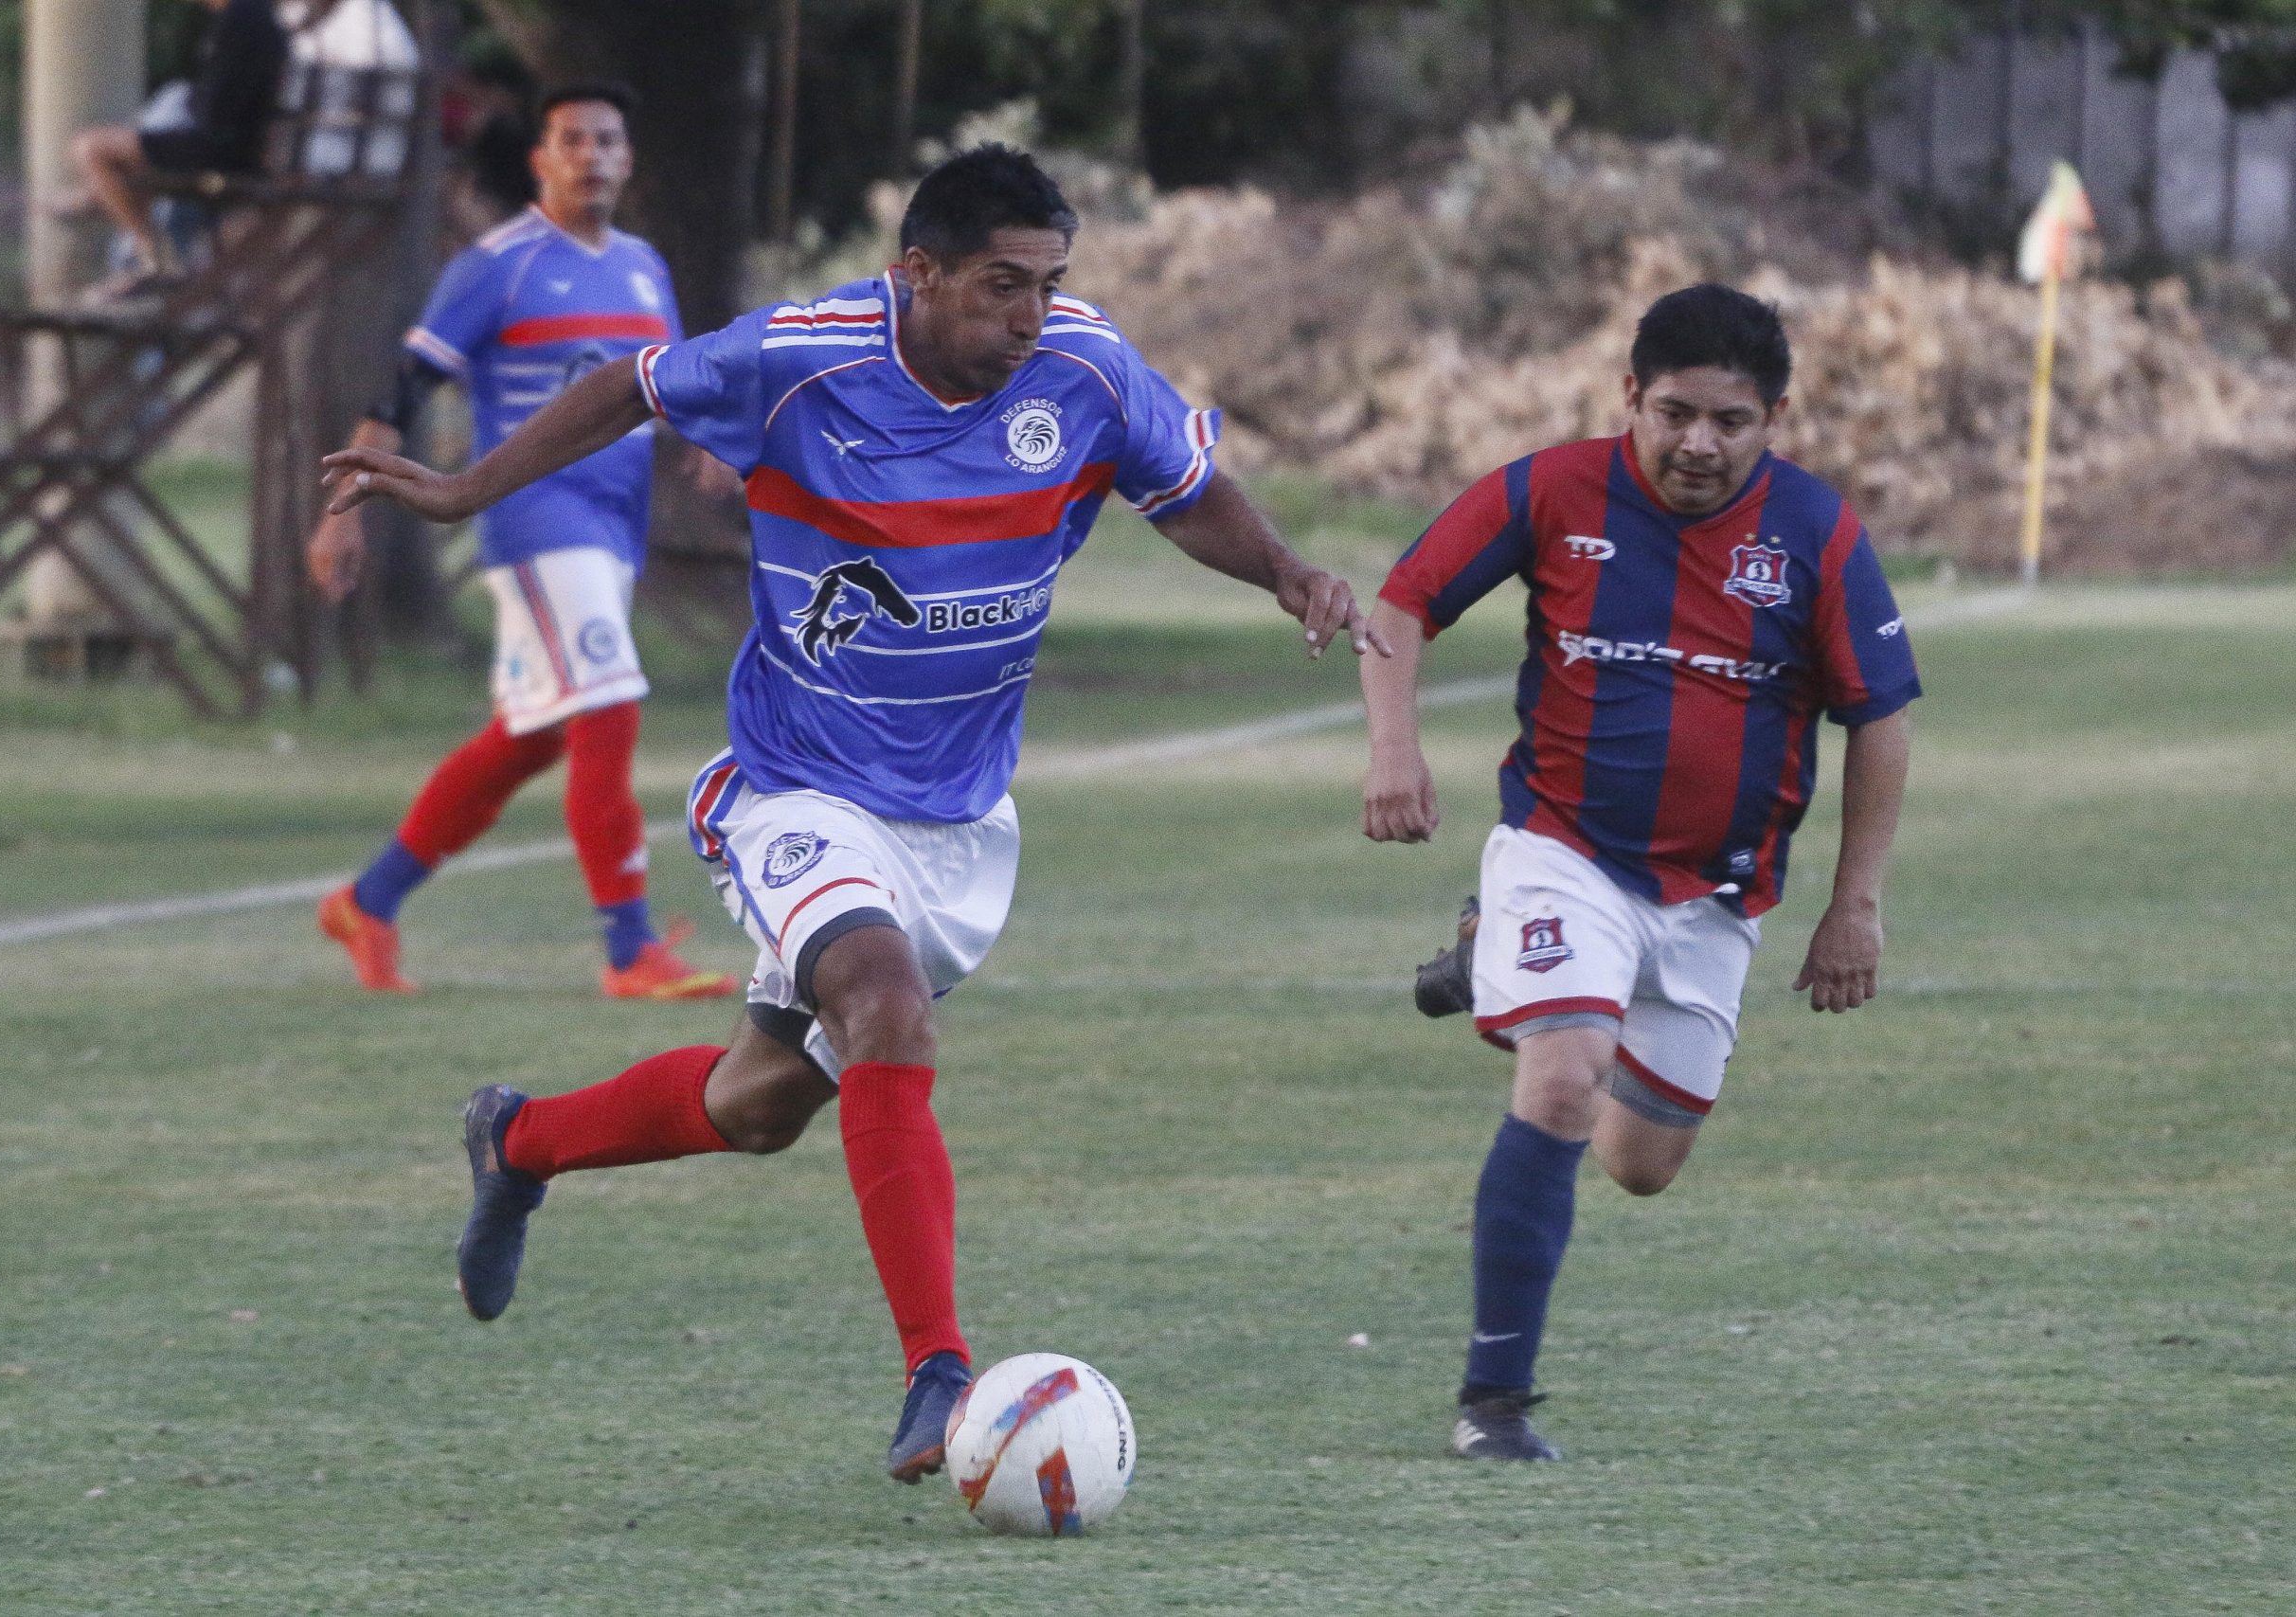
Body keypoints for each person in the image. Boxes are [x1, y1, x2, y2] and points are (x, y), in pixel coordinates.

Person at [320, 144, 1377, 1482]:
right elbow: (630, 385)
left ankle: (517, 1139)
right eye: (1002, 285)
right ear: (917, 272)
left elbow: (1183, 490)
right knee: (882, 1001)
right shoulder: (800, 354)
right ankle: (939, 1372)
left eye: (1049, 283)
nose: (1032, 315)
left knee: (758, 1103)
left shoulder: (1088, 368)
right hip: (799, 784)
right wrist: (465, 488)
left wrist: (1286, 570)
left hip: (959, 819)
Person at [1358, 284, 1920, 1463]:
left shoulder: (1816, 534)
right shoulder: (1551, 490)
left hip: (1713, 897)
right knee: (1563, 1082)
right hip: (1564, 850)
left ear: (1773, 419)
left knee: (1641, 1163)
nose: (1698, 444)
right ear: (1630, 397)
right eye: (1674, 414)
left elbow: (1879, 716)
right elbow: (1403, 603)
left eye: (1729, 421)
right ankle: (1493, 1406)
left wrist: (1853, 908)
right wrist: (1394, 751)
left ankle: (1497, 963)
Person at [308, 81, 737, 1004]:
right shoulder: (496, 266)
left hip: (615, 520)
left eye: (607, 140)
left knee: (533, 736)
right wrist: (342, 512)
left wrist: (711, 438)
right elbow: (403, 388)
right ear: (541, 160)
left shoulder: (643, 266)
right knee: (609, 700)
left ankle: (367, 902)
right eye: (572, 140)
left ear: (627, 159)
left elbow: (667, 383)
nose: (591, 155)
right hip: (536, 514)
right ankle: (630, 949)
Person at [63, 0, 289, 296]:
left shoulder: (241, 19)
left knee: (90, 150)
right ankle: (126, 239)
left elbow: (217, 111)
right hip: (230, 147)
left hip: (217, 152)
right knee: (114, 161)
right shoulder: (254, 17)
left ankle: (151, 253)